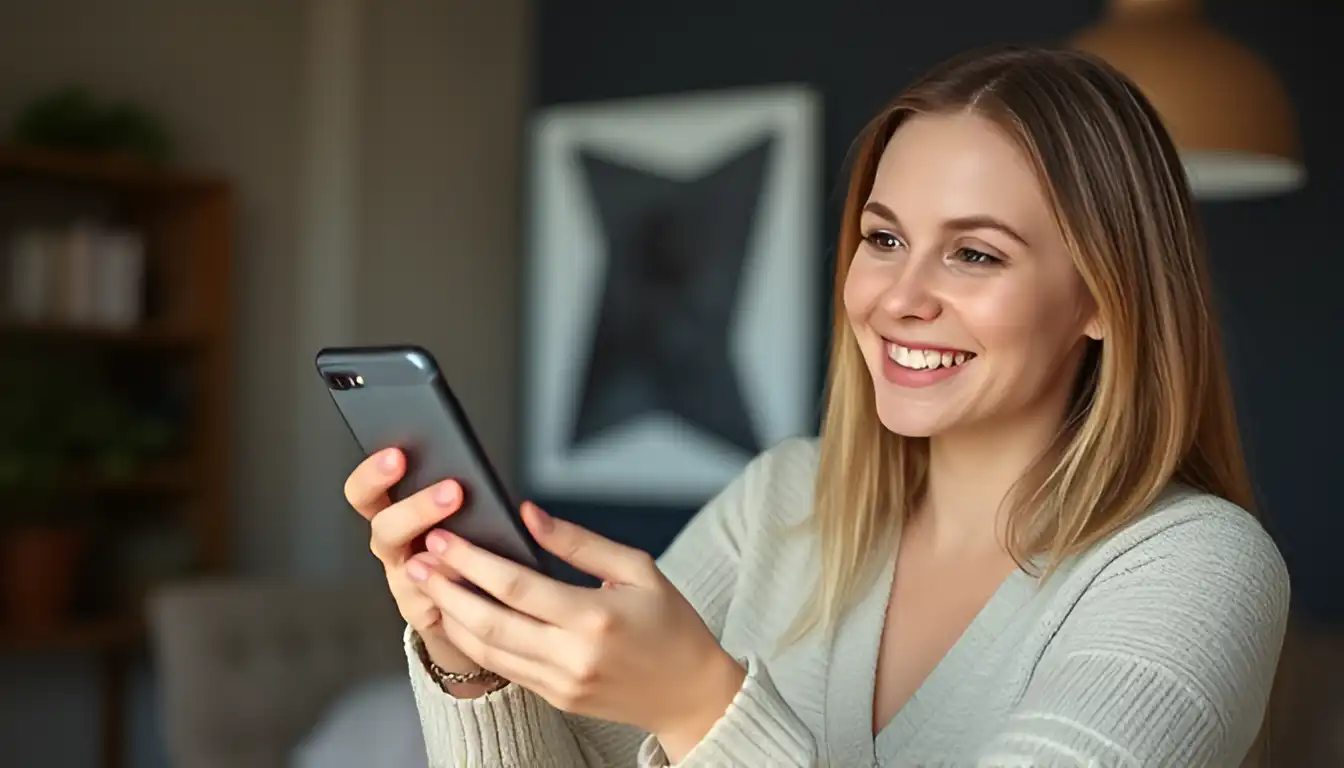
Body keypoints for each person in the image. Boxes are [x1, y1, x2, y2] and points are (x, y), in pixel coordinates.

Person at [343, 44, 1289, 767]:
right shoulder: (779, 503)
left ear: (1101, 298)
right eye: (884, 238)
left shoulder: (1198, 569)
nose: (898, 297)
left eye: (976, 253)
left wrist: (704, 712)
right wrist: (475, 658)